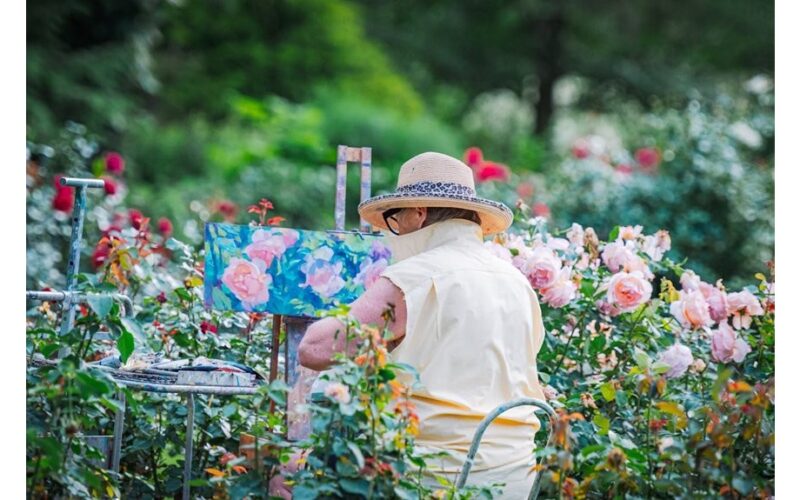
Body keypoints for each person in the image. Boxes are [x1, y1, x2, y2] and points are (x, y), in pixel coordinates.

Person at [282, 152, 548, 498]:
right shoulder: (516, 281)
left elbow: (313, 349)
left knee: (290, 474)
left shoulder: (415, 276)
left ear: (418, 212)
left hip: (434, 477)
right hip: (515, 476)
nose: (393, 231)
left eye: (395, 219)